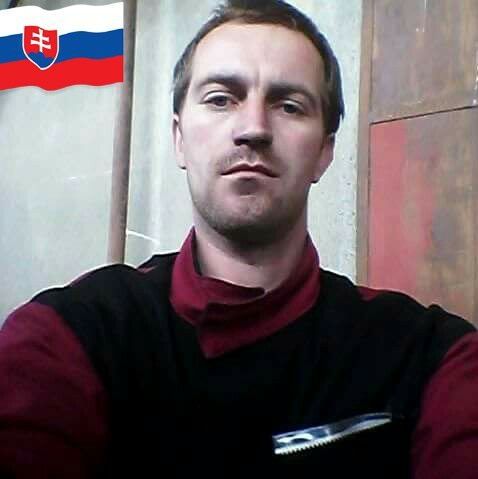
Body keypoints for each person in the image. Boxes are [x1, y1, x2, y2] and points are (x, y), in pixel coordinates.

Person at [0, 0, 477, 477]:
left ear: (324, 152)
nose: (253, 129)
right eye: (220, 99)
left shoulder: (428, 357)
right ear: (179, 138)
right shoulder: (73, 334)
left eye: (289, 106)